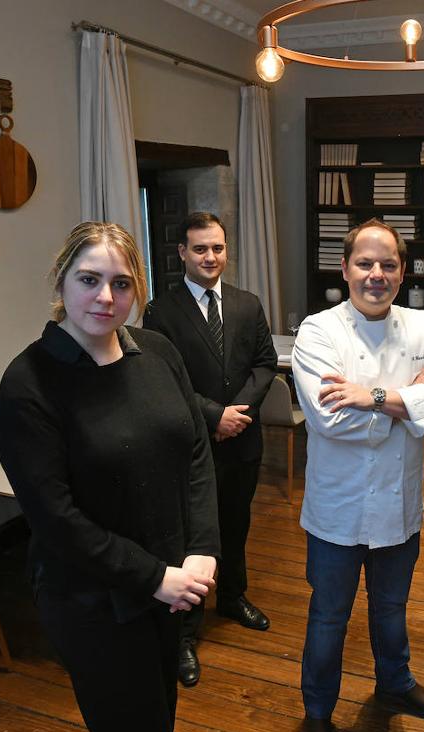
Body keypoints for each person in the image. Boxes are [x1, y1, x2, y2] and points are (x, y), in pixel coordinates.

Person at [0, 222, 219, 732]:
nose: (105, 297)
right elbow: (57, 519)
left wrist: (203, 548)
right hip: (92, 600)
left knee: (158, 716)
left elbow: (195, 454)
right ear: (61, 282)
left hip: (171, 585)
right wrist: (154, 577)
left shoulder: (157, 352)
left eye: (121, 283)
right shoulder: (29, 384)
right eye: (89, 279)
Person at [291, 218, 424, 732]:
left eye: (388, 264)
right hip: (337, 509)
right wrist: (411, 402)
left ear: (402, 271)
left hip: (397, 504)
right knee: (328, 617)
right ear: (345, 269)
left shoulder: (421, 324)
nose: (376, 274)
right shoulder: (318, 331)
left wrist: (372, 397)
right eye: (364, 263)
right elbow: (328, 420)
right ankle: (318, 712)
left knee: (391, 608)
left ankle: (395, 682)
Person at [143, 212, 278, 687]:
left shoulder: (247, 303)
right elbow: (162, 378)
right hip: (190, 444)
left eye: (218, 248)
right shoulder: (161, 311)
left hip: (243, 437)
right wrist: (213, 416)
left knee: (237, 522)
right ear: (182, 253)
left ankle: (234, 596)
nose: (211, 257)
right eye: (200, 249)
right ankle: (184, 634)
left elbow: (265, 363)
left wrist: (237, 412)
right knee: (193, 540)